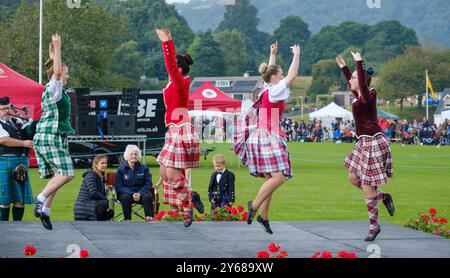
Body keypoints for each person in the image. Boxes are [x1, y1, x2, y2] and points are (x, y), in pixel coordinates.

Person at [235, 41, 300, 234]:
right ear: (274, 77)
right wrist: (296, 55)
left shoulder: (267, 88)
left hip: (259, 136)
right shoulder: (275, 89)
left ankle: (264, 216)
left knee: (271, 178)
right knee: (279, 177)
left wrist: (272, 54)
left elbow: (270, 73)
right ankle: (253, 205)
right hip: (267, 136)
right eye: (279, 74)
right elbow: (293, 75)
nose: (282, 76)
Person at [336, 53, 395, 241]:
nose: (350, 81)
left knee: (368, 186)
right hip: (364, 142)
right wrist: (344, 68)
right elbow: (357, 85)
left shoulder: (368, 96)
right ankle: (383, 197)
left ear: (361, 80)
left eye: (353, 77)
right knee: (353, 178)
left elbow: (361, 84)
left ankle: (374, 226)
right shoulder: (360, 97)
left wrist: (359, 64)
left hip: (374, 143)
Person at [154, 28, 204, 228]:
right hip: (173, 129)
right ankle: (191, 197)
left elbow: (170, 64)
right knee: (166, 175)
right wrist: (171, 41)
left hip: (180, 128)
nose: (170, 69)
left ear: (179, 69)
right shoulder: (175, 83)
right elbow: (172, 64)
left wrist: (166, 44)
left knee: (172, 175)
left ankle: (188, 204)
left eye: (175, 67)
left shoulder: (179, 82)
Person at [33, 34, 75, 230]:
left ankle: (46, 210)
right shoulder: (54, 86)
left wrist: (52, 53)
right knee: (67, 174)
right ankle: (40, 198)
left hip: (47, 136)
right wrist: (58, 48)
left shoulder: (54, 89)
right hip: (51, 136)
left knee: (57, 177)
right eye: (67, 73)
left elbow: (53, 68)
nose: (67, 75)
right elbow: (56, 72)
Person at [0, 97, 34, 221]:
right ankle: (3, 226)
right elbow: (3, 140)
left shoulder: (17, 121)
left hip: (21, 162)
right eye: (3, 109)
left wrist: (31, 125)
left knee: (20, 199)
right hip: (5, 163)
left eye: (8, 108)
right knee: (5, 199)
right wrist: (23, 143)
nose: (6, 111)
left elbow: (29, 133)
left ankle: (18, 226)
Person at [115, 145, 154, 221]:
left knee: (148, 197)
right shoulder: (120, 169)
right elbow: (119, 186)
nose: (134, 156)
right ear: (127, 156)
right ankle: (128, 220)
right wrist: (131, 193)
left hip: (141, 193)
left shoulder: (144, 168)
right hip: (126, 194)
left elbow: (148, 183)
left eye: (136, 154)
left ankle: (150, 219)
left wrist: (140, 193)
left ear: (138, 155)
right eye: (131, 154)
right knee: (126, 198)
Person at [74, 155, 114, 221]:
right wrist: (106, 200)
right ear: (96, 165)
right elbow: (93, 192)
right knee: (104, 203)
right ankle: (96, 224)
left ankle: (98, 226)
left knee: (110, 212)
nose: (104, 165)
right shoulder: (90, 175)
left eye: (105, 163)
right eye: (102, 163)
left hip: (93, 203)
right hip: (84, 205)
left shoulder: (101, 177)